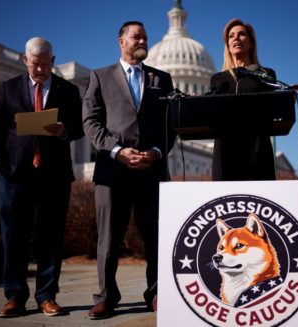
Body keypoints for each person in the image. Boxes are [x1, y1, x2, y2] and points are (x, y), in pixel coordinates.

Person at [82, 21, 175, 319]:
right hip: (113, 171)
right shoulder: (100, 76)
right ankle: (106, 296)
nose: (142, 40)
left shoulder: (163, 79)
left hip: (151, 170)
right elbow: (91, 122)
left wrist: (156, 152)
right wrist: (118, 151)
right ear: (122, 41)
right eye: (137, 36)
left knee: (156, 237)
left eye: (145, 37)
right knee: (108, 239)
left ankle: (157, 292)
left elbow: (170, 125)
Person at [0, 37, 84, 318]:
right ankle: (15, 297)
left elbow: (79, 128)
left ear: (53, 62)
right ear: (25, 60)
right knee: (13, 238)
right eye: (35, 64)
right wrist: (0, 166)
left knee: (51, 239)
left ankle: (47, 296)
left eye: (45, 64)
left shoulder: (67, 90)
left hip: (53, 175)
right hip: (15, 175)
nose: (41, 69)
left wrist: (63, 130)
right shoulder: (9, 88)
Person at [208, 18, 278, 181]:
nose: (236, 39)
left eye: (241, 35)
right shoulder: (218, 79)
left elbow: (272, 109)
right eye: (231, 36)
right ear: (227, 44)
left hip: (257, 148)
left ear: (251, 42)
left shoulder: (265, 74)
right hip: (225, 150)